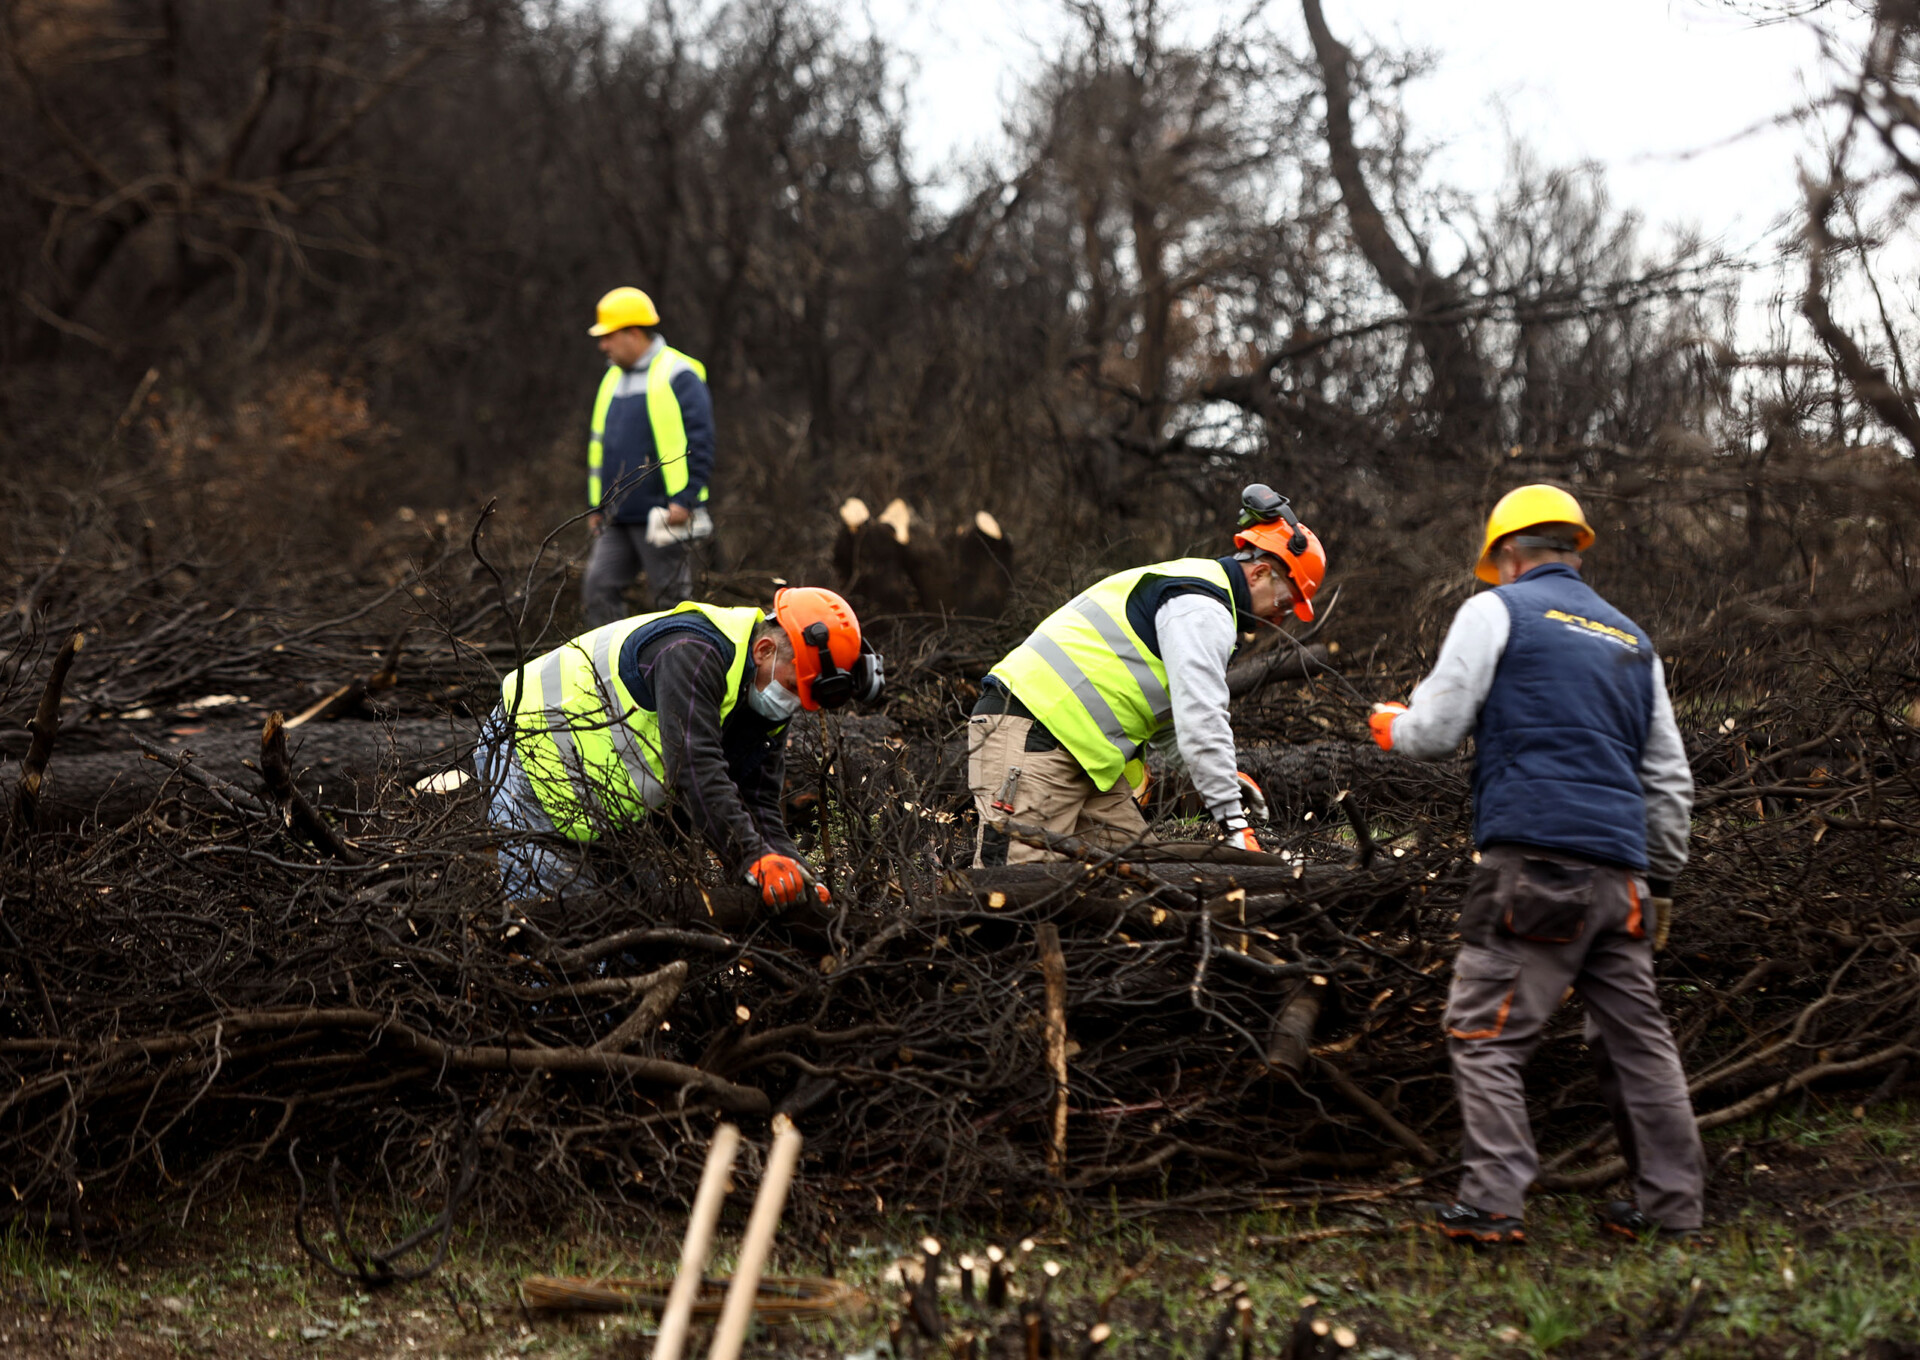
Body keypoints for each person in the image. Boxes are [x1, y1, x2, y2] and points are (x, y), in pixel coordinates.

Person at [1368, 484, 1701, 1246]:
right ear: (1573, 547)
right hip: (1625, 881)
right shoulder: (1632, 640)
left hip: (1534, 870)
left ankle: (1491, 1202)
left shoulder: (1496, 612)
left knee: (1483, 1031)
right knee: (1638, 1046)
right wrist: (1664, 882)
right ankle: (1673, 1205)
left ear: (1507, 555)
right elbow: (1671, 778)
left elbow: (1437, 731)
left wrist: (1395, 726)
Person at [967, 485, 1326, 866]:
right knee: (1015, 887)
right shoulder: (1203, 608)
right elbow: (1200, 718)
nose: (1280, 617)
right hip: (1032, 734)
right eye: (1285, 602)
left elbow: (1172, 722)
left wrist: (1221, 778)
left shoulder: (1199, 596)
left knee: (1142, 875)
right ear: (1260, 573)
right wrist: (1235, 824)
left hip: (1085, 759)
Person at [475, 587, 882, 907]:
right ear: (764, 650)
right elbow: (694, 769)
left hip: (604, 805)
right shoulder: (692, 652)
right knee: (563, 932)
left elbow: (757, 800)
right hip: (525, 757)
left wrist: (791, 872)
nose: (790, 703)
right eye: (793, 688)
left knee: (643, 937)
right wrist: (752, 858)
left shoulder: (760, 684)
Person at [581, 286, 716, 625]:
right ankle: (609, 672)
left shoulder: (678, 373)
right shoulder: (611, 378)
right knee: (597, 589)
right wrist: (598, 506)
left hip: (664, 515)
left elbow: (701, 440)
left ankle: (677, 670)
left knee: (672, 603)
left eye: (608, 336)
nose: (603, 345)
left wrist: (685, 499)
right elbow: (601, 447)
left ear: (633, 333)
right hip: (617, 515)